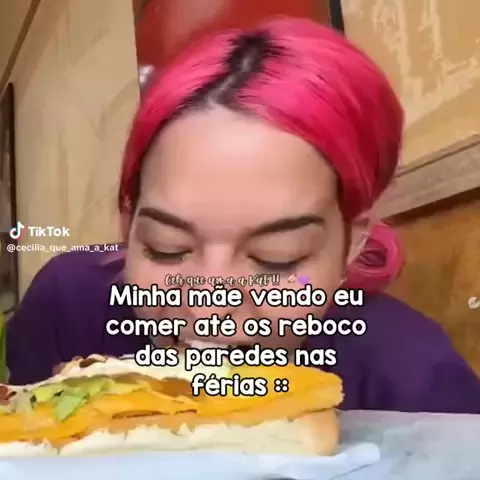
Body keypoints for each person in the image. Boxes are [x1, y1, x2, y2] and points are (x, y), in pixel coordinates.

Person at [6, 18, 480, 413]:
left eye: (276, 257)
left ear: (350, 244)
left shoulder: (417, 386)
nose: (209, 312)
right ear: (129, 226)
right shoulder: (66, 308)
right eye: (167, 249)